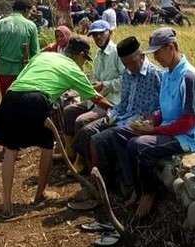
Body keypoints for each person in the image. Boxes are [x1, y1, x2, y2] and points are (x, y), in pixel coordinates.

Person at [0, 36, 113, 219]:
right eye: (84, 60)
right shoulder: (73, 70)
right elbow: (96, 98)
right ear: (79, 55)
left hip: (12, 95)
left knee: (10, 149)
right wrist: (116, 109)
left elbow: (25, 75)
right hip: (38, 99)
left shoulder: (43, 56)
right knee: (47, 146)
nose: (83, 65)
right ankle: (40, 195)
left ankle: (7, 205)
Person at [113, 27, 195, 217]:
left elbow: (188, 122)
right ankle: (137, 188)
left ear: (171, 47)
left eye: (157, 52)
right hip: (167, 129)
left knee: (139, 145)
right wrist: (151, 120)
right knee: (122, 134)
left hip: (185, 137)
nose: (155, 58)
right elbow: (164, 111)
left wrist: (154, 130)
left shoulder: (189, 77)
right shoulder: (166, 74)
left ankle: (148, 192)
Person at [69, 37, 162, 209]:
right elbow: (123, 103)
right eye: (125, 64)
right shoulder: (127, 74)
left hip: (136, 123)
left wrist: (149, 120)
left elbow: (161, 108)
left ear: (141, 56)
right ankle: (96, 182)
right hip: (121, 116)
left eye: (131, 63)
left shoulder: (155, 75)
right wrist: (111, 115)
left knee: (96, 141)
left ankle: (100, 190)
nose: (129, 67)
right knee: (85, 131)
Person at [62, 20, 124, 172]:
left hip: (112, 100)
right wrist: (95, 85)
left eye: (101, 33)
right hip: (98, 98)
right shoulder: (98, 57)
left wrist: (105, 85)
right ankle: (70, 151)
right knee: (69, 111)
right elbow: (97, 79)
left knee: (81, 121)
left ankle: (82, 160)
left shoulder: (117, 53)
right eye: (94, 35)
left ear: (110, 32)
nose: (98, 37)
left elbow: (126, 80)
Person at [0, 0, 40, 97]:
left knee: (7, 102)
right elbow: (35, 53)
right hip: (24, 72)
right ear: (26, 10)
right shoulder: (31, 26)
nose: (30, 15)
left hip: (4, 71)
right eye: (30, 12)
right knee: (23, 103)